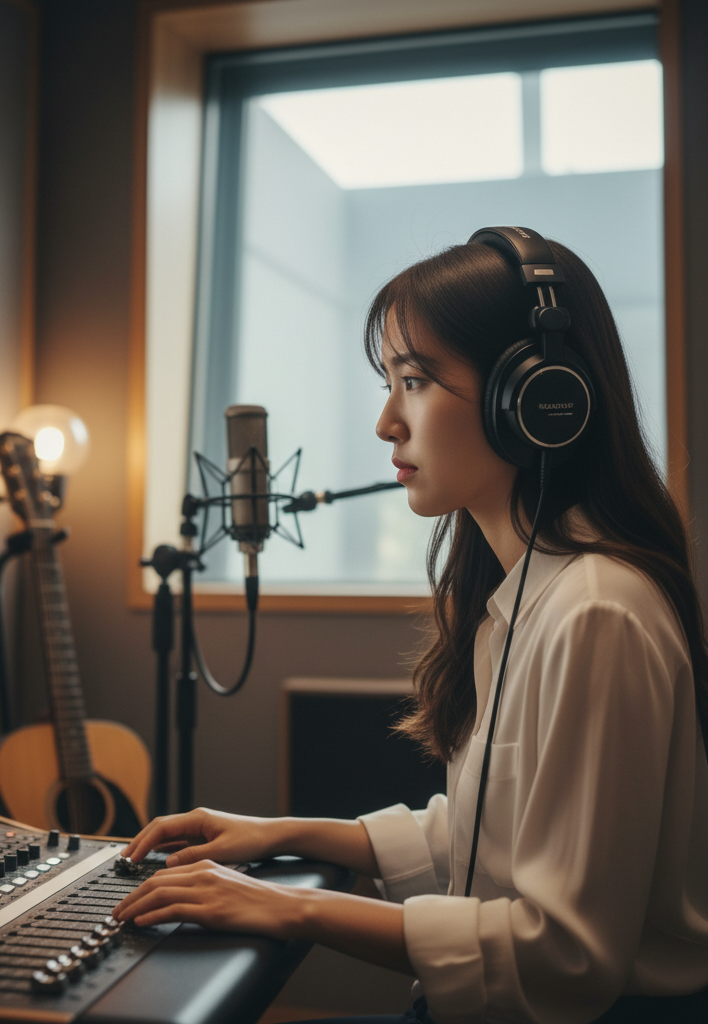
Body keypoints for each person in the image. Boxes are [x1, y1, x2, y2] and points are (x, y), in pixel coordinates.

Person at [113, 231, 708, 1024]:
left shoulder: (597, 613)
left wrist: (291, 907)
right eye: (390, 383)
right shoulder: (528, 597)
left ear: (534, 399)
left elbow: (564, 954)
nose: (387, 422)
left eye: (415, 382)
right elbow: (486, 838)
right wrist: (275, 833)